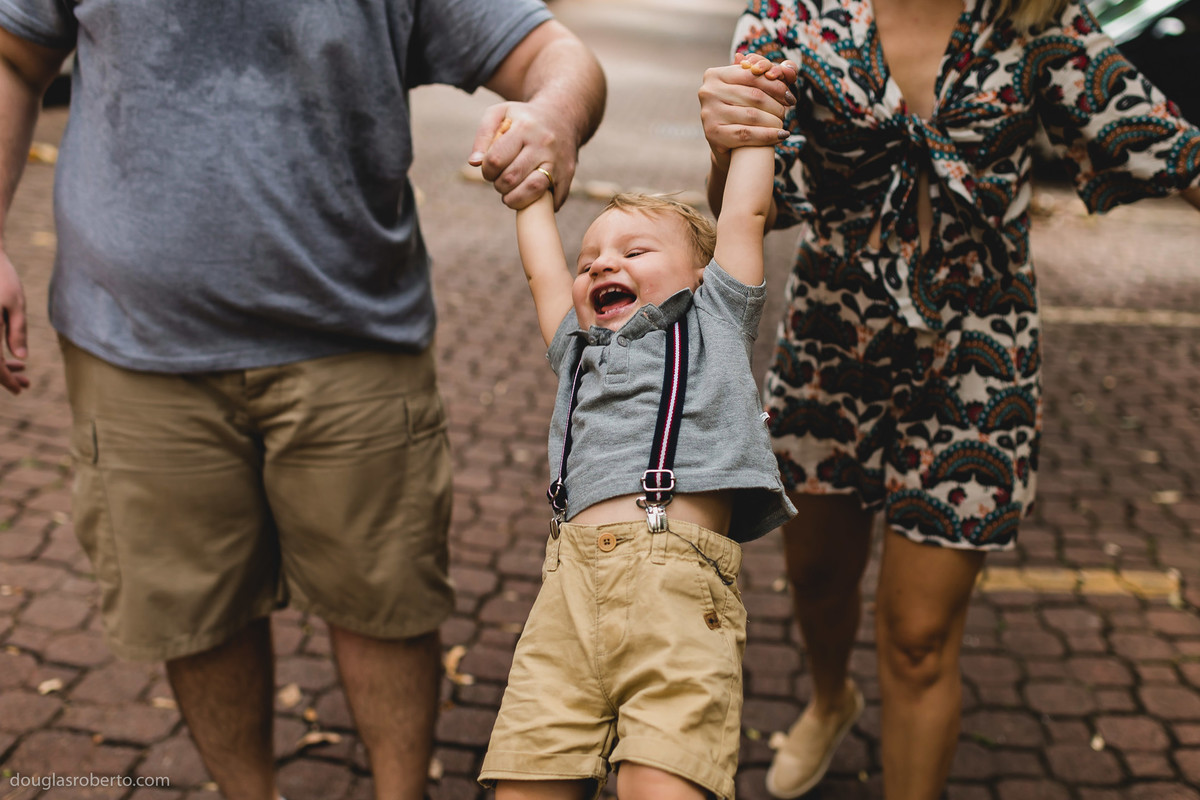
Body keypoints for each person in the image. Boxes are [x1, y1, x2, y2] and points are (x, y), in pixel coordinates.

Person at [0, 2, 604, 798]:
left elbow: (558, 57)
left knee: (386, 605)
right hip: (133, 344)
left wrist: (555, 116)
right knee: (196, 615)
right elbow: (15, 59)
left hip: (354, 340)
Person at [699, 0, 1200, 797]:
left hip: (978, 356)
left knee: (920, 638)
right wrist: (728, 140)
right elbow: (755, 201)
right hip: (833, 342)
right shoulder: (795, 12)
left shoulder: (1034, 16)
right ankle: (829, 700)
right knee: (819, 577)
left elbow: (1169, 146)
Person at [477, 53, 797, 800]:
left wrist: (755, 127)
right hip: (565, 595)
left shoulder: (715, 320)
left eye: (633, 252)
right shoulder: (579, 348)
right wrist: (530, 188)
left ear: (700, 277)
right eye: (590, 259)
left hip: (675, 591)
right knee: (528, 777)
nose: (599, 266)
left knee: (663, 781)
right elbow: (543, 273)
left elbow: (745, 216)